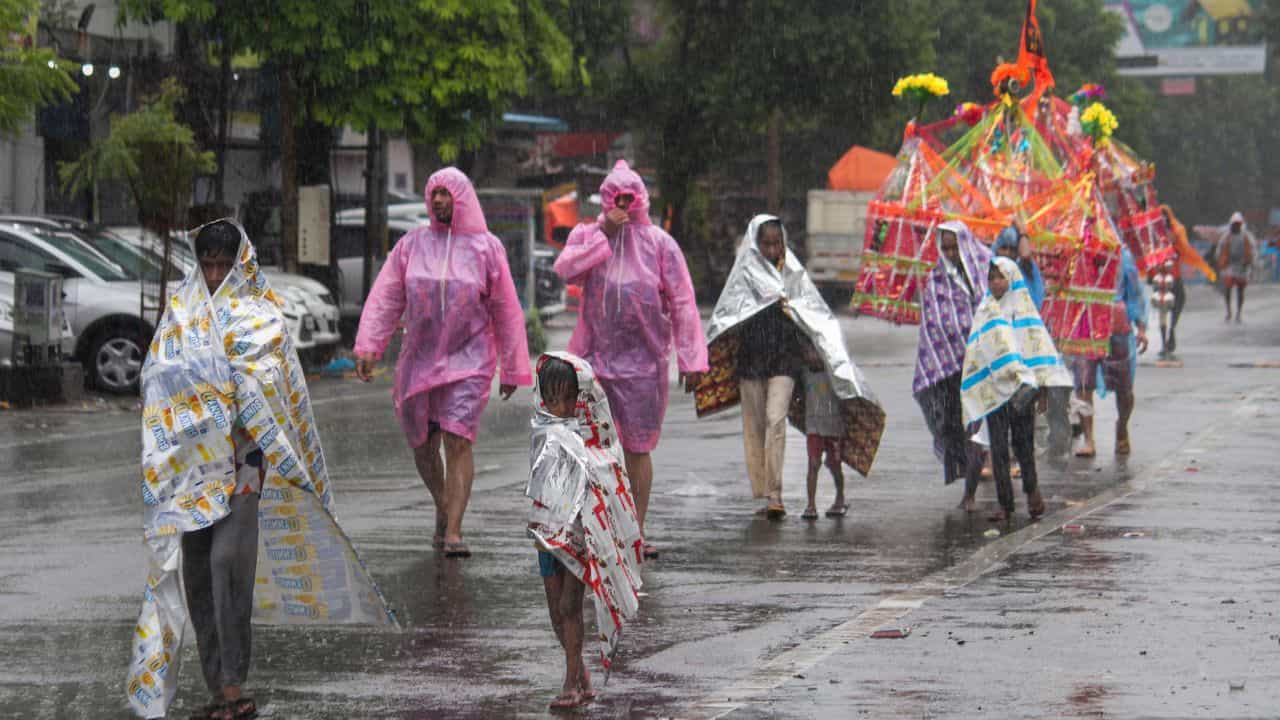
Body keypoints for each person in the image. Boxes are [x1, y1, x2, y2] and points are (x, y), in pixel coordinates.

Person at [129, 220, 393, 720]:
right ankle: (217, 685)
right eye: (206, 263)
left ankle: (233, 681)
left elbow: (272, 382)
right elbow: (155, 376)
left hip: (244, 461)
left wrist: (229, 392)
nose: (212, 274)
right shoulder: (180, 313)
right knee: (199, 572)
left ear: (238, 264)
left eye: (222, 264)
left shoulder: (260, 316)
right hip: (189, 468)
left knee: (229, 563)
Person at [355, 167, 532, 558]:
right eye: (433, 193)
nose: (438, 201)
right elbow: (386, 297)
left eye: (446, 194)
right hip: (418, 359)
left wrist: (513, 365)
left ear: (462, 198)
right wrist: (369, 345)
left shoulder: (487, 249)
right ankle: (443, 502)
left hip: (470, 359)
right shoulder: (411, 246)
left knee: (457, 439)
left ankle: (454, 530)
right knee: (422, 444)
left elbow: (506, 309)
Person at [553, 159, 707, 558]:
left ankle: (634, 532)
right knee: (591, 447)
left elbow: (684, 302)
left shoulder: (660, 245)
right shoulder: (589, 234)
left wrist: (692, 360)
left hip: (644, 363)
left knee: (638, 448)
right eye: (614, 197)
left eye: (628, 197)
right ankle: (592, 525)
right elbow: (566, 270)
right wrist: (603, 234)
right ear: (605, 200)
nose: (622, 204)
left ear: (639, 198)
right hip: (593, 358)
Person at [701, 214, 884, 519]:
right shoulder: (743, 275)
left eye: (777, 244)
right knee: (754, 429)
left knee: (776, 421)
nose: (773, 250)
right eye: (767, 244)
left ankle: (776, 495)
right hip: (750, 363)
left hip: (784, 361)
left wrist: (818, 351)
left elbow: (814, 315)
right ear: (756, 245)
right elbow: (726, 317)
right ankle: (763, 491)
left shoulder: (793, 276)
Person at [526, 353, 643, 710]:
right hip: (547, 536)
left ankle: (570, 682)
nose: (559, 407)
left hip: (580, 537)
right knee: (555, 614)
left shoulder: (594, 442)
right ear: (542, 396)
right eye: (551, 399)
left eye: (567, 399)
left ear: (581, 398)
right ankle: (581, 673)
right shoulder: (541, 429)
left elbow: (609, 487)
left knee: (570, 606)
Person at [961, 257, 1073, 520]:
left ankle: (1033, 492)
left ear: (1011, 278)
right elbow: (977, 350)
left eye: (1000, 277)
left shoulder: (1023, 310)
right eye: (991, 278)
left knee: (1023, 444)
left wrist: (1043, 389)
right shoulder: (985, 311)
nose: (995, 283)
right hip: (994, 390)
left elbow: (1038, 347)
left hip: (1022, 390)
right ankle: (1005, 503)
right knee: (998, 447)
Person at [913, 221, 989, 510]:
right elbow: (932, 323)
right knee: (950, 424)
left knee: (975, 428)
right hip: (945, 368)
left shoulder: (981, 274)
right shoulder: (935, 280)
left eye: (953, 247)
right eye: (944, 248)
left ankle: (969, 493)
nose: (949, 253)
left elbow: (987, 311)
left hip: (977, 366)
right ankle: (960, 469)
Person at [1071, 245, 1149, 457]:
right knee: (1084, 383)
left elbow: (1134, 294)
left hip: (1117, 327)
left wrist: (1141, 327)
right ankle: (1088, 439)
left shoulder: (1123, 256)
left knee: (1124, 388)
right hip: (1086, 325)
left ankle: (1122, 426)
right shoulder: (1078, 254)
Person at [1153, 205, 1215, 359]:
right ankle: (1164, 342)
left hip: (1175, 278)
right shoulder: (1153, 236)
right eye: (1161, 217)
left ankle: (1171, 330)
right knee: (1162, 312)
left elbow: (1186, 251)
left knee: (1178, 304)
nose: (1163, 219)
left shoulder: (1176, 234)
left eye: (1165, 216)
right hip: (1161, 279)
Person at [801, 342, 846, 520]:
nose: (811, 356)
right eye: (807, 352)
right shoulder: (804, 373)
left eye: (814, 351)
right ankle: (811, 504)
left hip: (834, 427)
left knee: (835, 465)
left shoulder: (833, 372)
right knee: (813, 464)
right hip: (813, 426)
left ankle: (840, 496)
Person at [1203, 211, 1256, 323]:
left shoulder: (1246, 236)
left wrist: (1251, 263)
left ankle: (1238, 313)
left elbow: (1252, 249)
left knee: (1240, 291)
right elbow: (1220, 250)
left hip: (1242, 265)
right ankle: (1228, 311)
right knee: (1227, 288)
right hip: (1229, 265)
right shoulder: (1226, 236)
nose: (1236, 226)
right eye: (1234, 224)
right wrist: (1219, 261)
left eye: (1238, 224)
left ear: (1240, 224)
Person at [992, 223, 1045, 309]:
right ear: (997, 249)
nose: (1007, 253)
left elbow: (1025, 255)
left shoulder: (1024, 269)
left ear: (1017, 253)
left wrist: (1022, 231)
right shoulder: (988, 271)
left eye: (1012, 249)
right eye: (1004, 248)